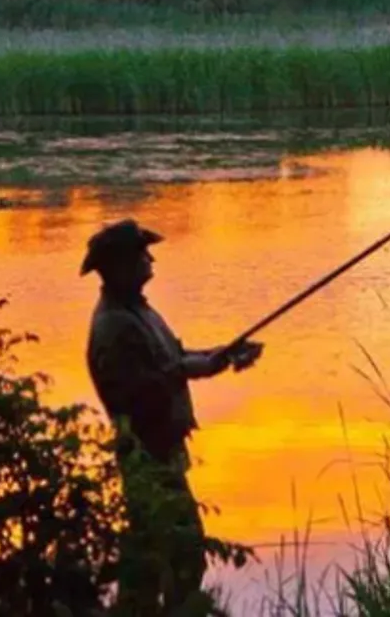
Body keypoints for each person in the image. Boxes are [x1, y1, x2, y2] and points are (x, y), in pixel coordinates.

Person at [82, 218, 263, 615]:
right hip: (148, 458)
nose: (150, 258)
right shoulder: (114, 326)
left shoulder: (138, 312)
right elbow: (138, 394)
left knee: (162, 557)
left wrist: (224, 356)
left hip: (163, 452)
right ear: (119, 266)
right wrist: (191, 368)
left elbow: (174, 360)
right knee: (179, 553)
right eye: (142, 253)